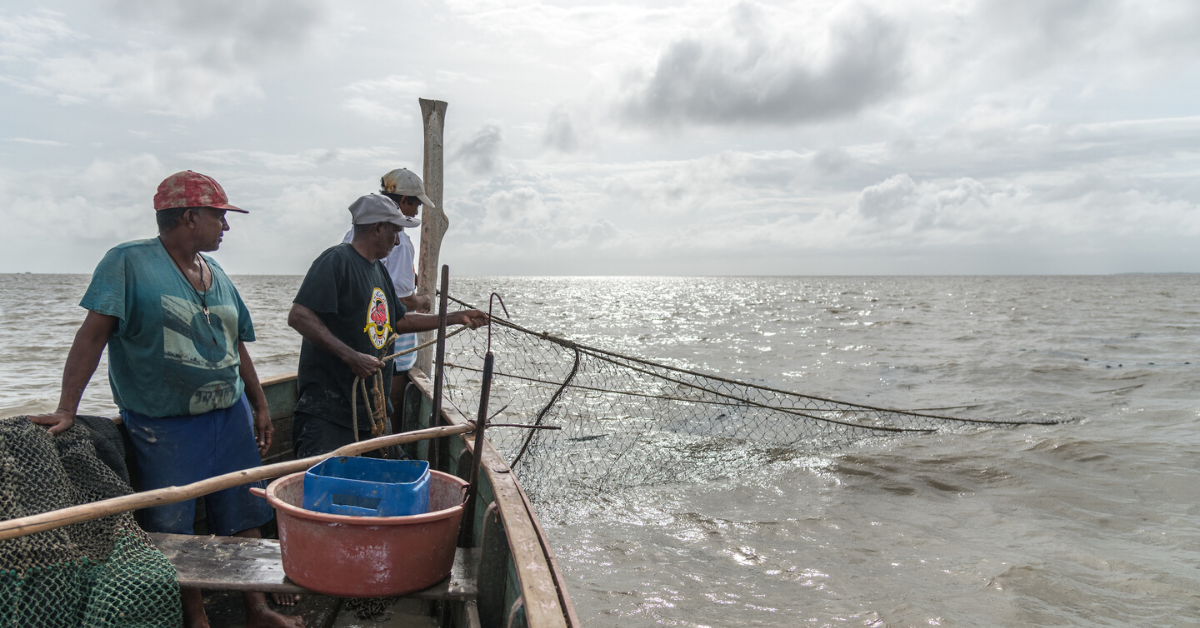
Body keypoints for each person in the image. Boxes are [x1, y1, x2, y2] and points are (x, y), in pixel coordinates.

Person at [30, 171, 303, 628]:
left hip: (229, 414)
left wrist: (258, 405)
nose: (226, 227)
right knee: (172, 526)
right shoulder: (128, 263)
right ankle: (195, 619)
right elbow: (91, 338)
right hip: (165, 424)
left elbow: (236, 347)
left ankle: (257, 608)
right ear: (189, 216)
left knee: (244, 511)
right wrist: (67, 408)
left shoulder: (213, 271)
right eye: (220, 216)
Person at [288, 193, 487, 458]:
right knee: (325, 490)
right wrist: (351, 357)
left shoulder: (378, 271)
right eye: (394, 231)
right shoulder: (336, 261)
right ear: (377, 228)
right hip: (330, 414)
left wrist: (454, 317)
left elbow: (399, 321)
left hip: (371, 411)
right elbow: (299, 316)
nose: (397, 240)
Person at [340, 168, 433, 433]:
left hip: (362, 333)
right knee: (389, 401)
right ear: (403, 201)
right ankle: (387, 449)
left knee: (365, 401)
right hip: (389, 337)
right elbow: (403, 300)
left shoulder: (354, 235)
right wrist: (423, 301)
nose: (415, 211)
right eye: (414, 203)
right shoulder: (399, 240)